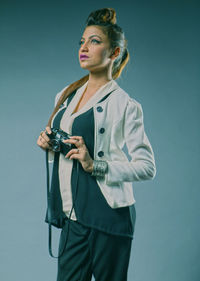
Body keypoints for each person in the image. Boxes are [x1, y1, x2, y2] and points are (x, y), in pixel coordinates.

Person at [37, 7, 156, 281]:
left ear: (114, 53)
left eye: (94, 41)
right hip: (72, 217)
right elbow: (66, 149)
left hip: (109, 218)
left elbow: (147, 167)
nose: (84, 47)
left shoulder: (126, 105)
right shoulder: (65, 96)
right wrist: (50, 145)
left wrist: (96, 165)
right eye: (82, 41)